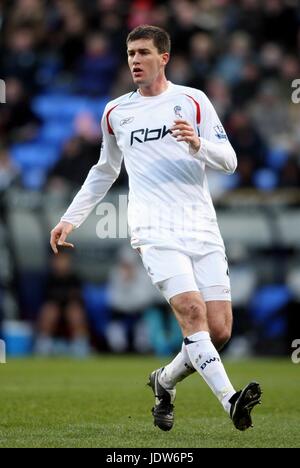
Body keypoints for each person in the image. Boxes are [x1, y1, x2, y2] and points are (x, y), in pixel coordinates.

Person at [50, 25, 262, 431]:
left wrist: (199, 144)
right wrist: (70, 218)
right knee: (191, 312)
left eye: (143, 52)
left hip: (201, 227)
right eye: (130, 53)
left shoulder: (193, 101)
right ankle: (232, 401)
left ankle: (163, 382)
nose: (134, 60)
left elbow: (231, 161)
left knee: (218, 331)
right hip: (153, 229)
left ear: (163, 58)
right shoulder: (116, 112)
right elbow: (104, 170)